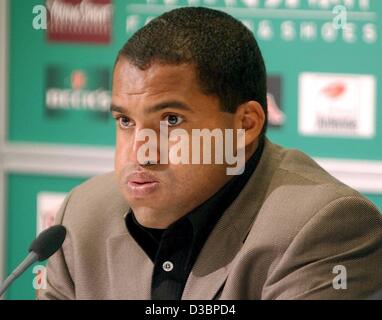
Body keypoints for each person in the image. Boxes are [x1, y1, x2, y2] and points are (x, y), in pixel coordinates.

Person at [39, 7, 382, 300]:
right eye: (125, 121)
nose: (139, 154)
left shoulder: (324, 227)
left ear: (245, 124)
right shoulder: (81, 217)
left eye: (170, 120)